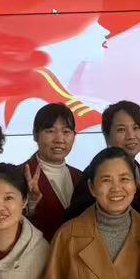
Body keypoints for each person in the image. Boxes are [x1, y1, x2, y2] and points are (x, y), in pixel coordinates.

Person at [30, 147, 140, 279]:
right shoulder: (68, 235)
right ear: (92, 188)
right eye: (106, 180)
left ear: (135, 185)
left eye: (124, 179)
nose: (116, 188)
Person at [68, 100, 140, 220]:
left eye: (136, 127)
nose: (131, 136)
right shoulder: (94, 174)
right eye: (121, 129)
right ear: (106, 135)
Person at [23, 102, 85, 241]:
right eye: (50, 131)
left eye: (66, 132)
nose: (59, 139)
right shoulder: (19, 176)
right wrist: (30, 208)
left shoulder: (81, 177)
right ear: (35, 134)